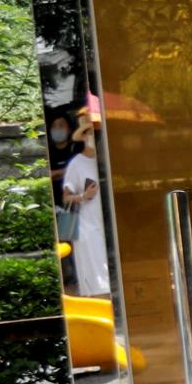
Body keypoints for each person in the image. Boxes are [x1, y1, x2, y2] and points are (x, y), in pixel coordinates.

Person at [60, 113, 111, 298]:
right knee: (98, 283)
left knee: (109, 280)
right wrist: (84, 195)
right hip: (87, 227)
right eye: (92, 133)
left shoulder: (105, 161)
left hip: (105, 225)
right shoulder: (77, 163)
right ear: (85, 136)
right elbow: (66, 198)